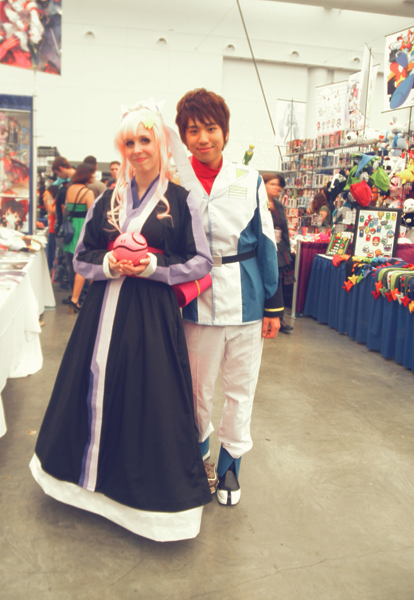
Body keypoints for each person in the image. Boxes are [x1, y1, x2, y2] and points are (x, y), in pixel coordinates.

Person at [30, 101, 213, 542]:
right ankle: (82, 486)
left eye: (145, 140)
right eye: (129, 142)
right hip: (101, 314)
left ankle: (142, 505)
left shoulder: (181, 201)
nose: (137, 149)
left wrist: (154, 267)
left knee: (146, 396)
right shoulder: (107, 200)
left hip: (151, 317)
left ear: (161, 143)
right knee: (92, 386)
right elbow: (81, 256)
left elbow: (201, 260)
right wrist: (109, 263)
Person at [175, 88, 284, 506]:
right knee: (196, 390)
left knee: (241, 389)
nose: (203, 138)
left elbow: (266, 242)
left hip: (247, 301)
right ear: (183, 137)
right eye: (193, 131)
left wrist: (273, 304)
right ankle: (197, 457)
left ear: (224, 131)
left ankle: (231, 465)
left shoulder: (248, 179)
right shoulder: (175, 180)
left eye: (210, 128)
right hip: (195, 303)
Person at [263, 173, 294, 334]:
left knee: (277, 283)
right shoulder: (257, 203)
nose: (276, 188)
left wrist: (286, 250)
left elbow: (284, 229)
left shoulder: (279, 206)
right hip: (263, 250)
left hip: (279, 250)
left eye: (278, 186)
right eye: (272, 184)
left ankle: (278, 318)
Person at [63, 163, 96, 312]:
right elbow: (91, 215)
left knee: (74, 263)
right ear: (86, 175)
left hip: (71, 226)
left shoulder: (70, 189)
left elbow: (66, 209)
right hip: (82, 227)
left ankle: (77, 297)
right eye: (92, 173)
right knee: (84, 263)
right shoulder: (88, 192)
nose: (94, 176)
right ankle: (78, 299)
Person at [43, 183, 59, 272]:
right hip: (51, 228)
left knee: (53, 251)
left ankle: (53, 269)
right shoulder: (54, 201)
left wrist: (47, 199)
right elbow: (48, 209)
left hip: (54, 229)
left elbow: (51, 211)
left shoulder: (57, 201)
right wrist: (46, 200)